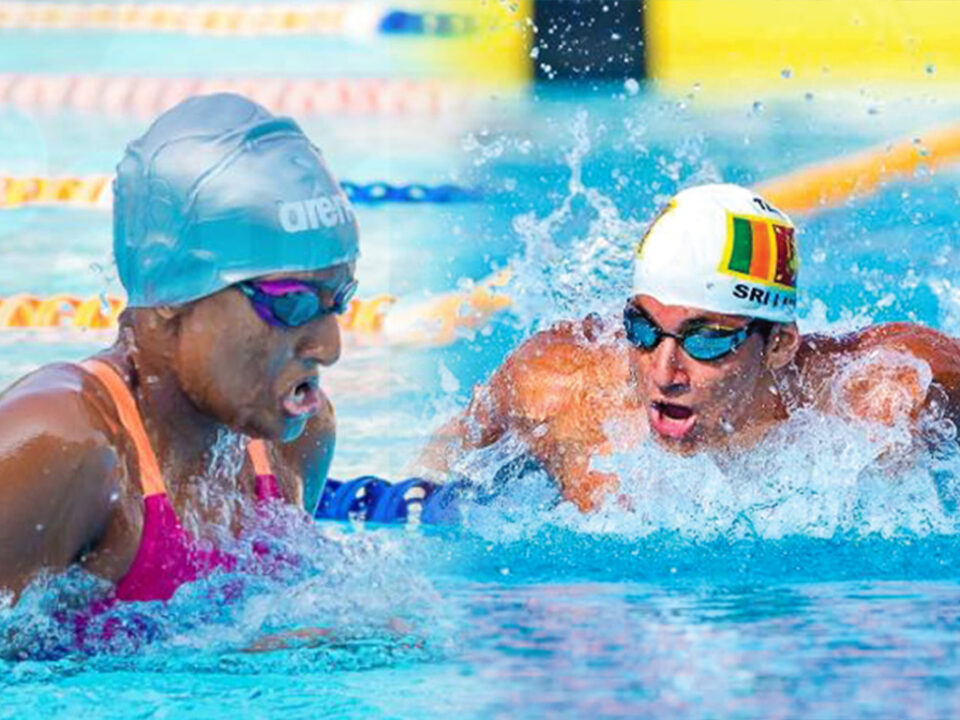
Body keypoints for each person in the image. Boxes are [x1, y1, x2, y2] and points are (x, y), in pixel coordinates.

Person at [0, 93, 359, 604]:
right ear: (171, 292)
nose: (328, 346)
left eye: (338, 300)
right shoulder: (57, 447)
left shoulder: (296, 441)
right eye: (291, 304)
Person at [424, 183, 960, 511]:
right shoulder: (559, 390)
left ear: (778, 344)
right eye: (642, 330)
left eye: (705, 340)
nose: (663, 373)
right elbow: (446, 454)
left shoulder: (885, 393)